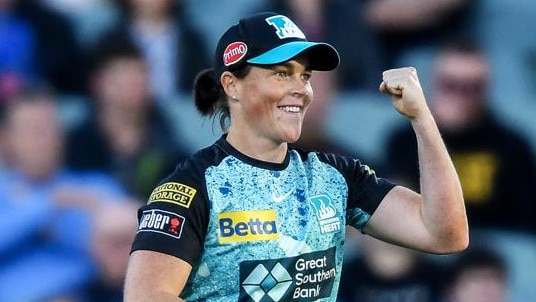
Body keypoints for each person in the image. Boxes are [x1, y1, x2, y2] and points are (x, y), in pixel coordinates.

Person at [124, 12, 468, 301]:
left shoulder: (335, 177)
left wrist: (421, 118)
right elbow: (145, 296)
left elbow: (446, 234)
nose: (301, 89)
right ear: (232, 85)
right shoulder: (192, 188)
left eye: (305, 76)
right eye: (281, 73)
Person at [384, 39, 536, 233]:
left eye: (473, 87)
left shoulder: (513, 147)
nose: (461, 97)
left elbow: (525, 226)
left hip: (492, 255)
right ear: (433, 85)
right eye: (451, 85)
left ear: (487, 89)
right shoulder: (403, 141)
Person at [0, 87, 130, 301]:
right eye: (31, 130)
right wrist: (47, 206)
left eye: (48, 128)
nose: (41, 140)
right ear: (6, 139)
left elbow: (133, 234)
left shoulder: (95, 187)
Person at [66, 33, 191, 200]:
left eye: (141, 76)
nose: (135, 87)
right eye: (124, 79)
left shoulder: (168, 146)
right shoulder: (76, 147)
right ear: (98, 84)